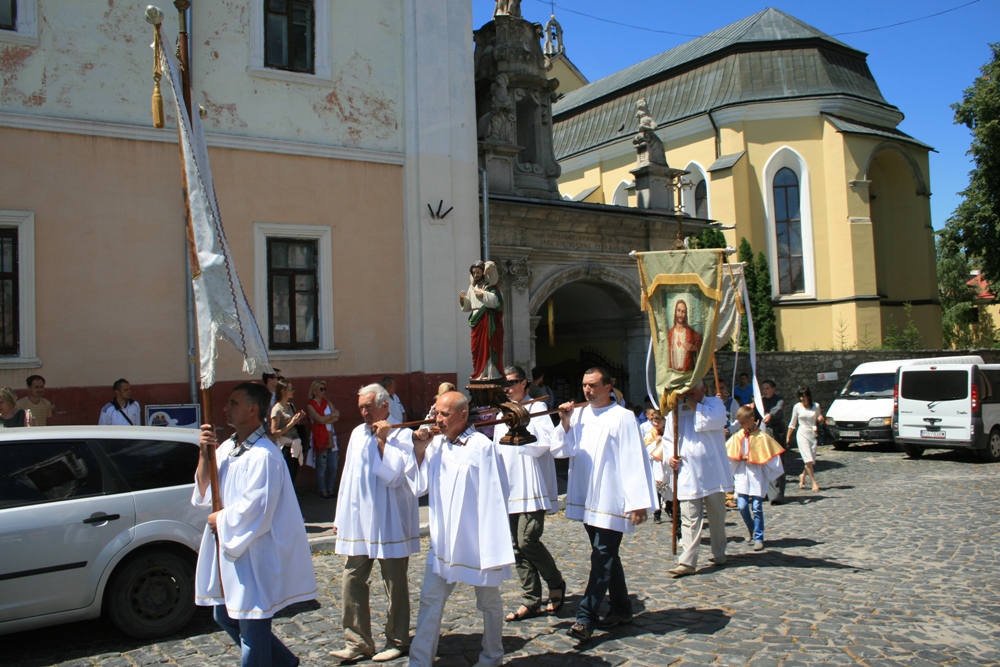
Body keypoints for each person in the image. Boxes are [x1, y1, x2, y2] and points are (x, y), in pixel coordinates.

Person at [193, 382, 317, 667]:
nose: (226, 407)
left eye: (233, 403)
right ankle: (284, 661)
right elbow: (203, 490)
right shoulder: (227, 448)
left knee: (251, 622)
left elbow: (258, 509)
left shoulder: (264, 455)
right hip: (231, 548)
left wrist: (221, 519)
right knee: (223, 613)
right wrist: (204, 453)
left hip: (254, 550)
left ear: (253, 409)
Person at [406, 391, 514, 667]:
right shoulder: (437, 444)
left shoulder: (482, 447)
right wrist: (419, 448)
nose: (437, 419)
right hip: (443, 543)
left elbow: (496, 495)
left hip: (476, 541)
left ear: (462, 415)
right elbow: (419, 487)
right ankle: (419, 661)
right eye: (436, 413)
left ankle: (492, 656)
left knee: (488, 602)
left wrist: (493, 546)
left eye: (444, 414)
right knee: (430, 599)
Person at [552, 367, 656, 642]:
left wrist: (637, 502)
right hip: (588, 498)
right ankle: (622, 608)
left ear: (609, 387)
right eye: (585, 385)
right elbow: (563, 450)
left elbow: (633, 459)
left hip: (612, 499)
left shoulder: (623, 417)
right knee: (607, 557)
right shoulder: (580, 414)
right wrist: (564, 421)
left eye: (593, 385)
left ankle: (586, 618)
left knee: (601, 556)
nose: (587, 390)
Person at [329, 384, 420, 664]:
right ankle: (357, 641)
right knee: (352, 578)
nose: (365, 412)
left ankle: (397, 639)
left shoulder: (402, 434)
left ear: (385, 406)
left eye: (369, 406)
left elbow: (393, 477)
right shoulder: (357, 433)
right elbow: (349, 475)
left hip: (390, 520)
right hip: (358, 520)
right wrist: (339, 515)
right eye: (361, 408)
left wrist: (383, 441)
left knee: (394, 582)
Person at [492, 366, 565, 622]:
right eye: (504, 383)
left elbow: (546, 442)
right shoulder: (502, 412)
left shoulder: (536, 408)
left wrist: (522, 437)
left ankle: (556, 582)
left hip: (531, 484)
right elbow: (496, 449)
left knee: (528, 540)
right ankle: (531, 599)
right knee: (514, 546)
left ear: (524, 383)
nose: (507, 387)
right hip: (508, 485)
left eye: (511, 382)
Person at [664, 380, 733, 578]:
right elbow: (668, 440)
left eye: (692, 391)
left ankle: (719, 552)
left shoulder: (714, 404)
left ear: (703, 389)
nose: (688, 394)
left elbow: (715, 420)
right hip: (688, 473)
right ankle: (687, 562)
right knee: (690, 519)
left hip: (713, 472)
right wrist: (671, 457)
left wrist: (690, 402)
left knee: (717, 516)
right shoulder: (675, 413)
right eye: (686, 391)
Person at [727, 405, 785, 551]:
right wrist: (740, 456)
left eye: (743, 423)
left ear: (752, 420)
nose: (740, 426)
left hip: (756, 474)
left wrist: (757, 458)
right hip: (742, 473)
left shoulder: (762, 437)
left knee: (757, 507)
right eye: (739, 423)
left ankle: (759, 536)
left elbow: (771, 456)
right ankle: (750, 527)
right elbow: (727, 454)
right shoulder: (738, 436)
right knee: (742, 505)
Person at [459, 260, 504, 381]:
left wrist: (483, 294)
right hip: (476, 319)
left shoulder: (490, 287)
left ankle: (490, 374)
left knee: (488, 346)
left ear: (483, 273)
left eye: (478, 272)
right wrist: (463, 300)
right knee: (477, 349)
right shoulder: (472, 287)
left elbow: (498, 303)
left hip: (488, 321)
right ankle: (479, 373)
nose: (475, 275)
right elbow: (468, 307)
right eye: (473, 273)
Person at [306, 380, 340, 499]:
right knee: (322, 465)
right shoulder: (311, 405)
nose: (323, 391)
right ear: (315, 391)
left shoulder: (327, 402)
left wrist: (325, 419)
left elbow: (337, 415)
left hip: (331, 434)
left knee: (334, 465)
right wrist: (329, 417)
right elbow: (319, 419)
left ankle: (331, 489)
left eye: (324, 389)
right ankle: (322, 490)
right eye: (321, 389)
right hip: (320, 436)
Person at [787, 386, 823, 493]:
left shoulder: (816, 406)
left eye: (804, 396)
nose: (802, 399)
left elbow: (819, 419)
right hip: (802, 433)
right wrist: (788, 437)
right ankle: (813, 482)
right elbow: (792, 424)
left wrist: (820, 419)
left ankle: (802, 475)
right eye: (800, 397)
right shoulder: (797, 407)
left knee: (810, 459)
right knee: (807, 459)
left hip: (812, 433)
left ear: (808, 396)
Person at [269, 379, 307, 482]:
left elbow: (295, 424)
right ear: (282, 391)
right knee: (286, 477)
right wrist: (293, 422)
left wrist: (298, 418)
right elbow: (274, 432)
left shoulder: (290, 406)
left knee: (293, 476)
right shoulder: (277, 409)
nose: (292, 391)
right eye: (290, 389)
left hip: (295, 445)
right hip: (285, 447)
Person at [759, 380, 787, 505]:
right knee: (764, 463)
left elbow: (778, 409)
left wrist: (770, 415)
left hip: (776, 434)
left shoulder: (779, 400)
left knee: (776, 463)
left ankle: (777, 495)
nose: (765, 391)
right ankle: (765, 492)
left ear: (773, 389)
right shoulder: (760, 401)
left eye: (767, 388)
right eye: (763, 389)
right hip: (763, 434)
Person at [643, 410, 669, 523]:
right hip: (656, 465)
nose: (656, 424)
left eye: (658, 421)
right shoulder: (651, 435)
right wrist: (656, 443)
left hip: (667, 464)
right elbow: (646, 451)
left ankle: (670, 508)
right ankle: (657, 514)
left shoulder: (668, 432)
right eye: (654, 421)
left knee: (669, 488)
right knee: (658, 489)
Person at [667, 299, 702, 372]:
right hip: (673, 374)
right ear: (675, 312)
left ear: (686, 314)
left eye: (683, 312)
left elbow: (702, 348)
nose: (680, 314)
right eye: (678, 310)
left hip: (687, 373)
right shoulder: (670, 333)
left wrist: (694, 348)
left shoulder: (692, 333)